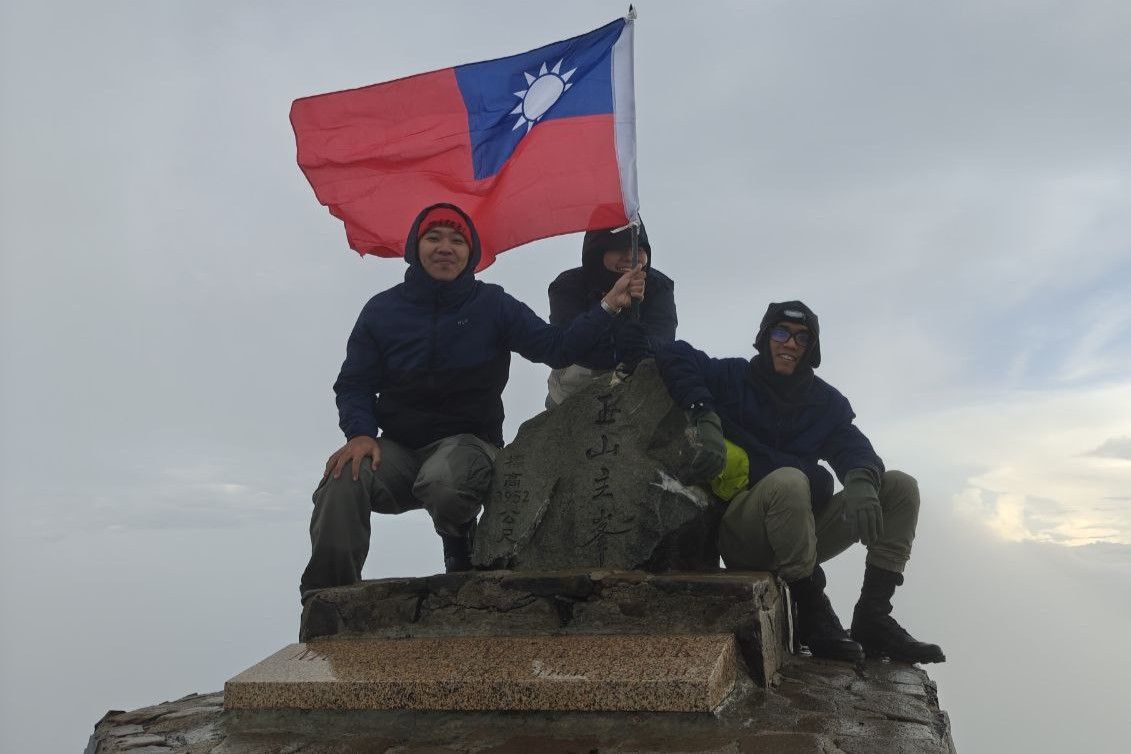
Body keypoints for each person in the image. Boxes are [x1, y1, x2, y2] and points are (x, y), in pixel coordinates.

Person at [300, 203, 644, 602]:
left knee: (444, 482)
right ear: (415, 247)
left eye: (457, 240)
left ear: (471, 252)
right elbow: (354, 382)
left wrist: (608, 305)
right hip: (398, 449)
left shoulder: (493, 305)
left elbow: (556, 348)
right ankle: (327, 598)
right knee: (344, 476)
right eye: (434, 237)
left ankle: (457, 535)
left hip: (469, 443)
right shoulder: (382, 311)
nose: (445, 247)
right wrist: (359, 433)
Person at [655, 301, 945, 664]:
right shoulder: (732, 377)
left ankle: (874, 616)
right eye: (781, 333)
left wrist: (860, 478)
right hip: (746, 534)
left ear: (811, 349)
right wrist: (705, 415)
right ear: (765, 338)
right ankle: (811, 607)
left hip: (802, 531)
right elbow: (674, 353)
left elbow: (852, 445)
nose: (790, 344)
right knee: (791, 481)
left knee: (900, 486)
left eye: (802, 338)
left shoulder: (823, 402)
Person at [545, 221, 676, 406]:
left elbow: (664, 340)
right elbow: (567, 345)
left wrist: (643, 346)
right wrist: (611, 313)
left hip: (637, 393)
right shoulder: (567, 286)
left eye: (638, 250)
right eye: (619, 249)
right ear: (597, 252)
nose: (631, 258)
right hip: (571, 393)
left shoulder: (658, 286)